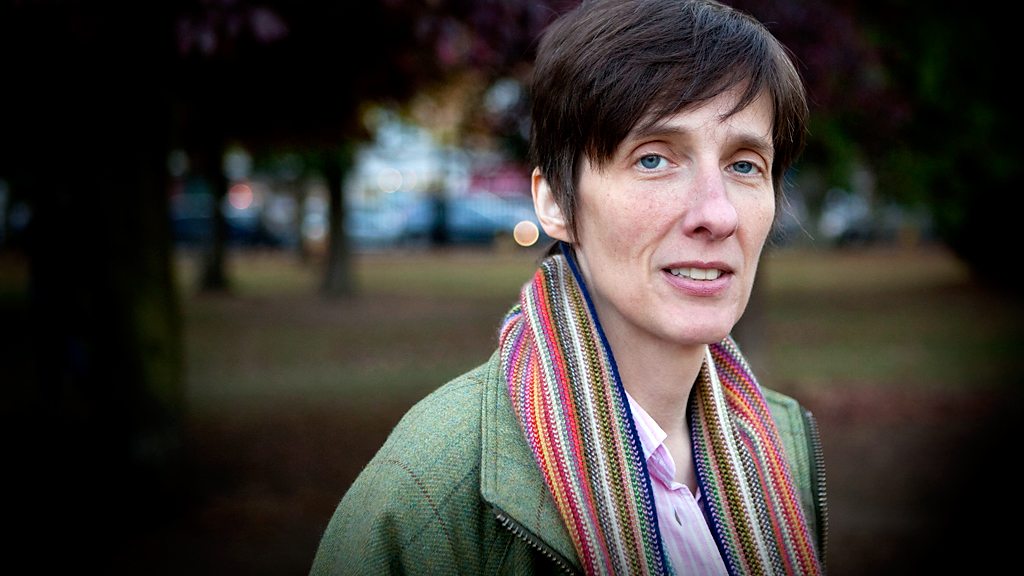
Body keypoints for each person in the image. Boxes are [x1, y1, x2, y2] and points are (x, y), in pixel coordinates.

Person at [309, 0, 827, 574]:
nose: (718, 214)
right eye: (653, 159)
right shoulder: (435, 488)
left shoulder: (780, 446)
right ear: (555, 203)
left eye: (744, 165)